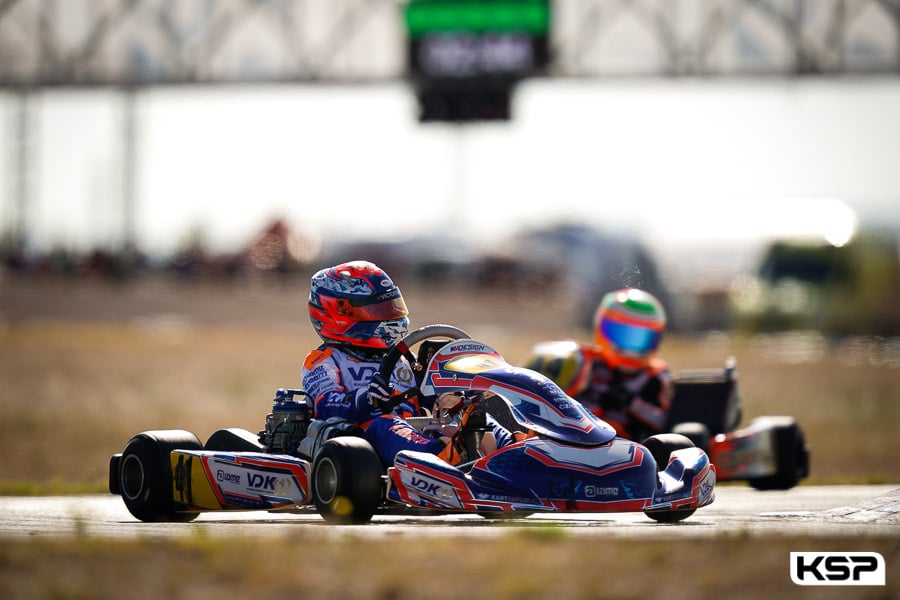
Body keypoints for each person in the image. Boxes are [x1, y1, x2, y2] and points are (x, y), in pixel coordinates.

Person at [301, 260, 513, 466]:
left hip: (419, 433)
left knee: (470, 415)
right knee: (384, 424)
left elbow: (429, 397)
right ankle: (441, 457)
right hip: (365, 442)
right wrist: (365, 399)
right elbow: (325, 404)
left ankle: (512, 446)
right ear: (340, 313)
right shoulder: (323, 360)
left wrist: (449, 396)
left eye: (390, 308)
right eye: (378, 310)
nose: (389, 317)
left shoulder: (404, 358)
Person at [524, 288, 673, 441]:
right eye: (623, 334)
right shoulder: (580, 360)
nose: (631, 348)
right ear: (602, 327)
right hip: (569, 437)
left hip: (629, 450)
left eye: (641, 338)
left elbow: (661, 422)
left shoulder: (655, 377)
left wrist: (629, 403)